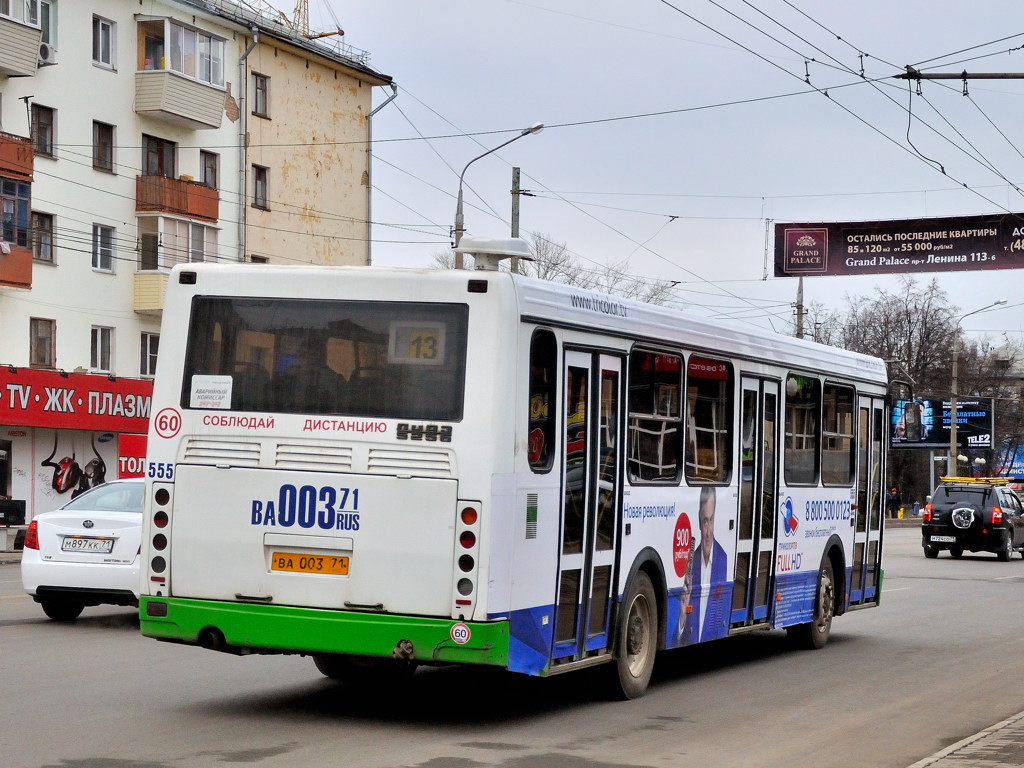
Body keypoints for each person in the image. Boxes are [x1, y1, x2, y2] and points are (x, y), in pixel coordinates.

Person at [682, 486, 730, 644]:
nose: (708, 531)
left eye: (712, 520)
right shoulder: (690, 562)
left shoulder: (723, 558)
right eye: (705, 521)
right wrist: (683, 615)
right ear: (699, 520)